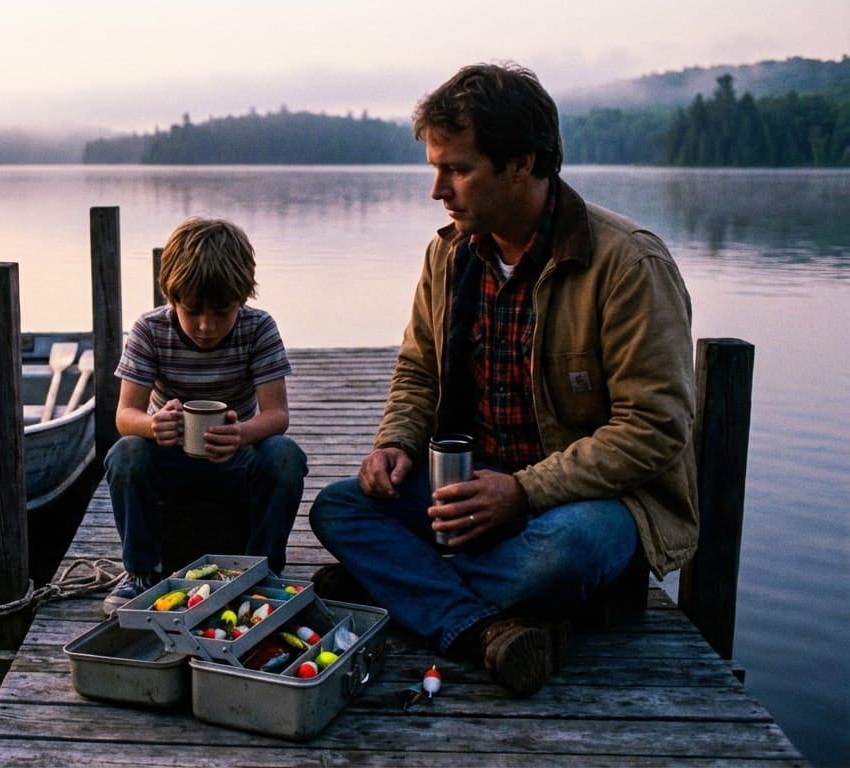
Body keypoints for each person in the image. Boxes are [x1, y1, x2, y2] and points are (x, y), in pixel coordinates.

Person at [308, 62, 698, 697]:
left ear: (523, 164)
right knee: (339, 508)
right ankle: (483, 626)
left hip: (591, 505)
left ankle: (406, 585)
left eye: (457, 169)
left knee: (564, 551)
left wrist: (522, 491)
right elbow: (417, 370)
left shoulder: (629, 264)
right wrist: (396, 444)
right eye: (436, 167)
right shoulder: (447, 254)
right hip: (472, 490)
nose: (438, 189)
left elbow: (655, 429)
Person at [102, 217, 308, 616]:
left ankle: (263, 574)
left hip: (234, 464)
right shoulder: (149, 329)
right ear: (171, 295)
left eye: (222, 312)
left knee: (285, 455)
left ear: (243, 297)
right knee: (126, 453)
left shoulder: (259, 328)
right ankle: (142, 574)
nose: (206, 326)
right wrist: (153, 424)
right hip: (173, 464)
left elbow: (277, 416)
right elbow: (125, 416)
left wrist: (242, 434)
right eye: (192, 310)